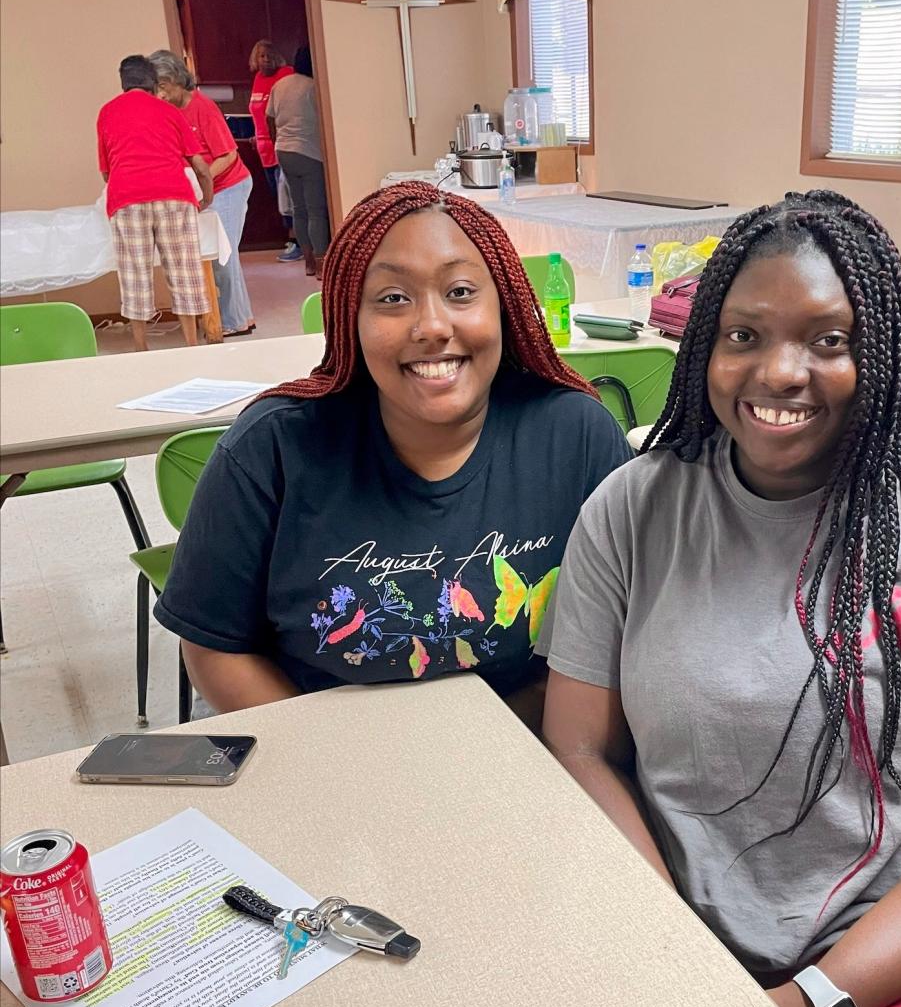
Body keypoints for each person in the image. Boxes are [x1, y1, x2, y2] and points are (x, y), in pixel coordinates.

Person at [540, 191, 901, 1007]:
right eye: (745, 336)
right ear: (704, 348)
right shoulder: (632, 508)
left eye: (828, 339)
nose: (780, 372)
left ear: (877, 352)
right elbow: (580, 749)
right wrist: (673, 953)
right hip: (681, 933)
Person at [155, 181, 633, 723]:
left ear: (506, 306)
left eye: (460, 292)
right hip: (328, 758)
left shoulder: (574, 434)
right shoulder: (272, 448)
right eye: (392, 299)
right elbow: (215, 645)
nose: (432, 326)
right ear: (347, 321)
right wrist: (343, 767)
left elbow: (614, 637)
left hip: (525, 754)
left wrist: (516, 750)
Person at [96, 54, 213, 351]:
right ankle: (190, 344)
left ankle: (141, 347)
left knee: (134, 273)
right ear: (152, 82)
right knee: (183, 270)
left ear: (123, 82)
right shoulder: (170, 112)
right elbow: (199, 165)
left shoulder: (107, 112)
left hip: (127, 198)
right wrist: (206, 198)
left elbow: (107, 171)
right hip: (174, 195)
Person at [150, 50, 256, 337]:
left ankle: (232, 322)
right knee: (215, 254)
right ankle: (240, 316)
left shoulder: (203, 107)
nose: (158, 94)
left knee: (223, 255)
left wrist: (200, 179)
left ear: (175, 80)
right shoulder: (167, 111)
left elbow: (229, 155)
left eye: (162, 86)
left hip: (229, 185)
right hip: (202, 188)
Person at [268, 46, 329, 277]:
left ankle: (309, 262)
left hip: (284, 151)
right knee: (316, 210)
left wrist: (279, 142)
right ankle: (322, 266)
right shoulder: (314, 87)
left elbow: (269, 118)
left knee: (298, 209)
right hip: (309, 153)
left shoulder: (280, 85)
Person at [247, 39, 299, 262]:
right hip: (263, 150)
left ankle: (296, 242)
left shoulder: (286, 75)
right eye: (261, 56)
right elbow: (259, 114)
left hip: (283, 147)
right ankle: (291, 240)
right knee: (278, 199)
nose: (265, 60)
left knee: (289, 199)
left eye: (269, 55)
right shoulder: (258, 79)